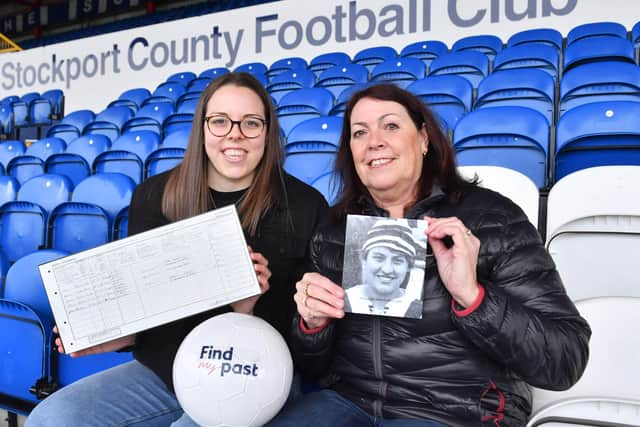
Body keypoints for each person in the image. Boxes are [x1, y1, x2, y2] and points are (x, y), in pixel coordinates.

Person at [266, 83, 591, 426]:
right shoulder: (333, 231)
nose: (374, 140)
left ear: (423, 139)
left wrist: (474, 298)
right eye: (359, 132)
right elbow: (312, 367)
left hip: (455, 410)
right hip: (349, 402)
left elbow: (565, 360)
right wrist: (312, 326)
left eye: (390, 125)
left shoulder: (493, 219)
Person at [26, 72, 328, 427]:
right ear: (202, 128)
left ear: (267, 131)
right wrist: (116, 336)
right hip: (169, 369)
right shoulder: (154, 196)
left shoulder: (305, 205)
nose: (235, 134)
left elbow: (309, 336)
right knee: (50, 419)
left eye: (250, 123)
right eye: (220, 121)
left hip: (253, 371)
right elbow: (149, 307)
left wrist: (246, 312)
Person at [344, 218, 422, 318]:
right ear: (364, 259)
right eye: (379, 258)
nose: (387, 269)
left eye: (397, 261)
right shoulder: (342, 300)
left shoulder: (417, 309)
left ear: (408, 266)